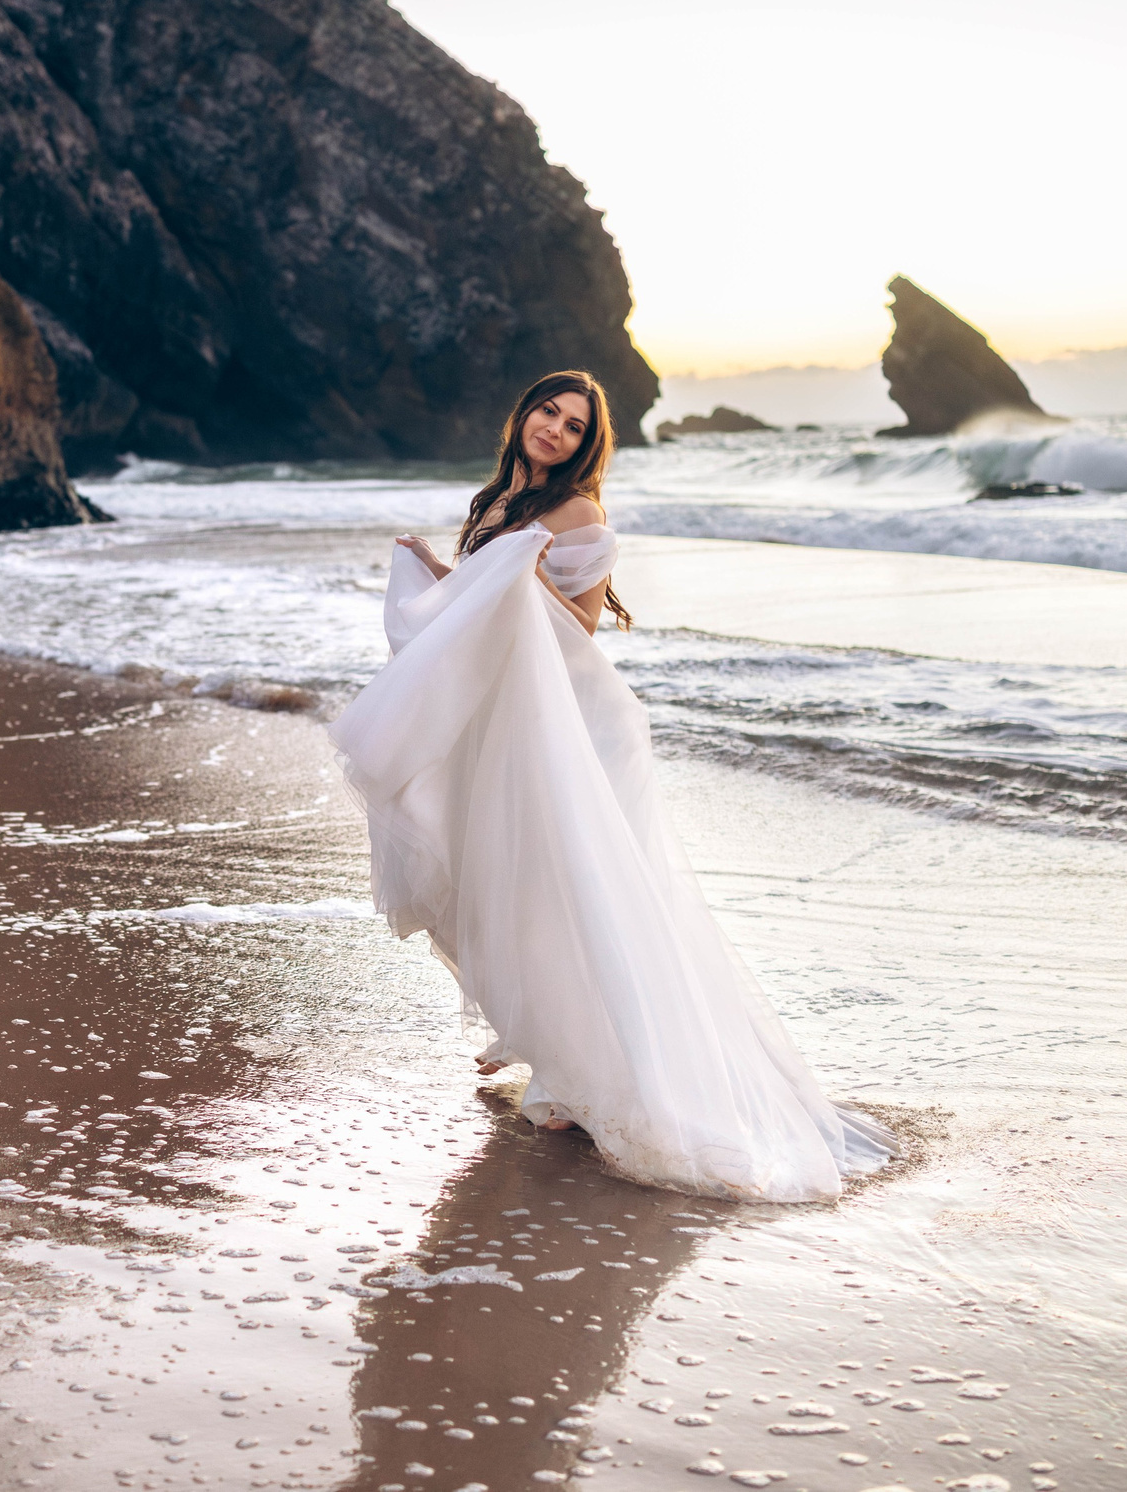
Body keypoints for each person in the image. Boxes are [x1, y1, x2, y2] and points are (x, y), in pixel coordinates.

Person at [328, 371, 894, 1201]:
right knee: (512, 889)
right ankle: (551, 1044)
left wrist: (514, 579)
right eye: (548, 412)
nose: (555, 429)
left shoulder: (579, 514)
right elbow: (483, 606)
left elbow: (580, 625)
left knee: (579, 897)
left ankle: (592, 1073)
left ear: (588, 444)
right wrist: (441, 571)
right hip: (522, 727)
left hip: (582, 731)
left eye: (573, 424)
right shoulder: (498, 502)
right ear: (522, 414)